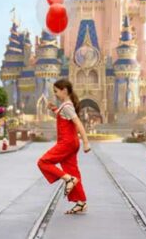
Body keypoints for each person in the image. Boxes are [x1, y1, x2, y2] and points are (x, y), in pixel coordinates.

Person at [37, 79, 91, 214]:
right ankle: (81, 202)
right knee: (73, 171)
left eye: (56, 91)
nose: (55, 94)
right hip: (71, 143)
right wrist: (54, 108)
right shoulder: (65, 106)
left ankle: (68, 179)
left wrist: (86, 142)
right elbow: (64, 117)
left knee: (43, 162)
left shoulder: (67, 106)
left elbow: (78, 123)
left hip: (66, 142)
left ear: (64, 90)